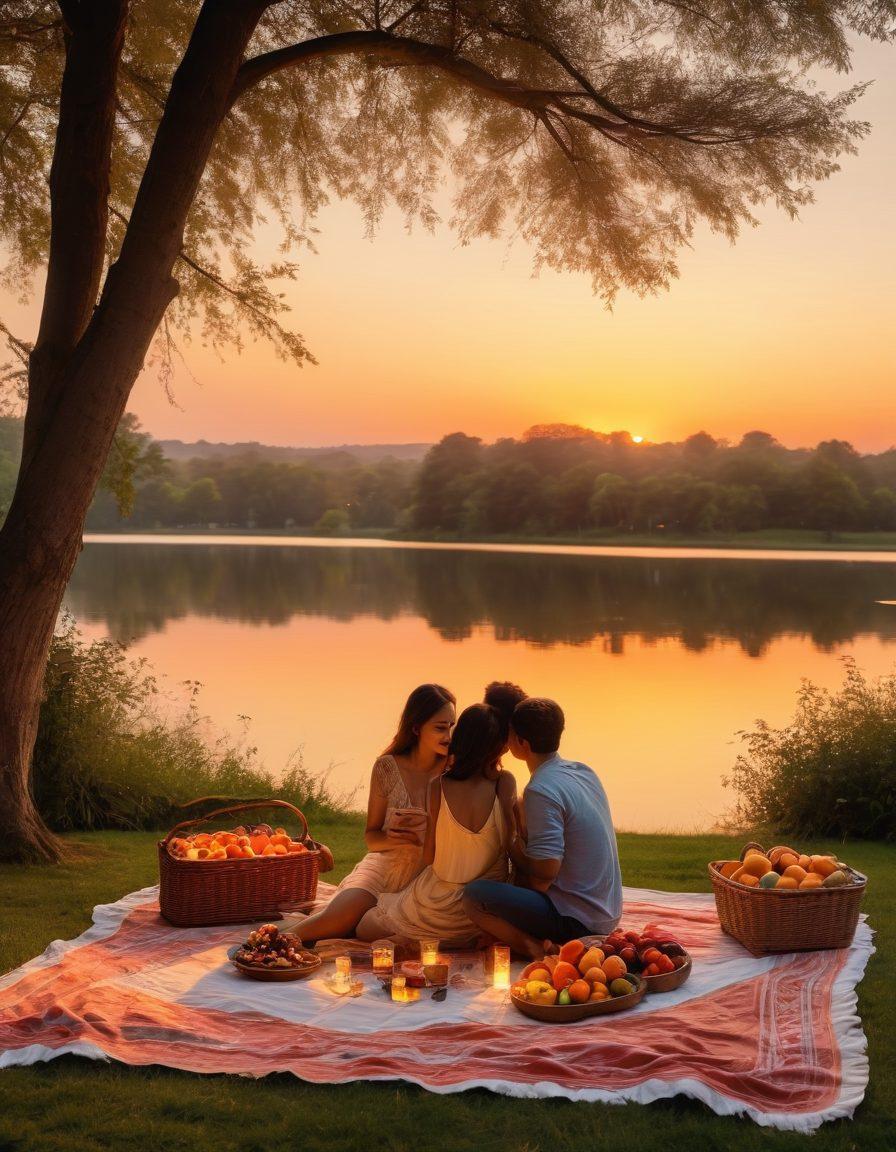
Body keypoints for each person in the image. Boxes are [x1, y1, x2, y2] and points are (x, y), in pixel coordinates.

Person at [462, 697, 622, 958]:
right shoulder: (582, 771)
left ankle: (533, 947)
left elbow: (545, 871)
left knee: (474, 896)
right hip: (608, 912)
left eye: (510, 735)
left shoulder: (541, 789)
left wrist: (511, 838)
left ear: (521, 743)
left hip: (579, 922)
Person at [297, 683, 456, 943]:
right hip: (385, 866)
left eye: (451, 726)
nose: (448, 735)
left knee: (363, 929)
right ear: (416, 728)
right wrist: (398, 837)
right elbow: (372, 839)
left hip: (427, 877)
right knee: (336, 920)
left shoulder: (454, 770)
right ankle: (265, 944)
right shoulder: (387, 767)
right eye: (440, 727)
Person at [357, 703, 517, 947]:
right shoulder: (504, 781)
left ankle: (425, 941)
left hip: (439, 903)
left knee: (365, 927)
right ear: (498, 748)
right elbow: (510, 844)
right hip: (484, 906)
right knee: (389, 913)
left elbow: (430, 856)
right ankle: (450, 941)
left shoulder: (437, 785)